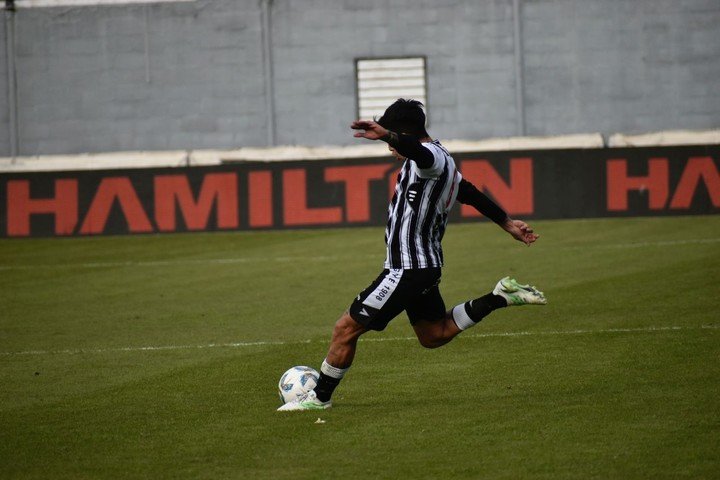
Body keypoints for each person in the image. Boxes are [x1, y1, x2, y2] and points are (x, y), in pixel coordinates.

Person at [277, 99, 546, 412]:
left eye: (391, 140)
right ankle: (498, 297)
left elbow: (418, 152)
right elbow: (469, 193)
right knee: (433, 334)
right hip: (425, 267)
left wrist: (389, 135)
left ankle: (319, 398)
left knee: (345, 328)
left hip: (407, 268)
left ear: (403, 134)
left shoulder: (430, 157)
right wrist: (507, 223)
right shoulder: (442, 159)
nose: (389, 148)